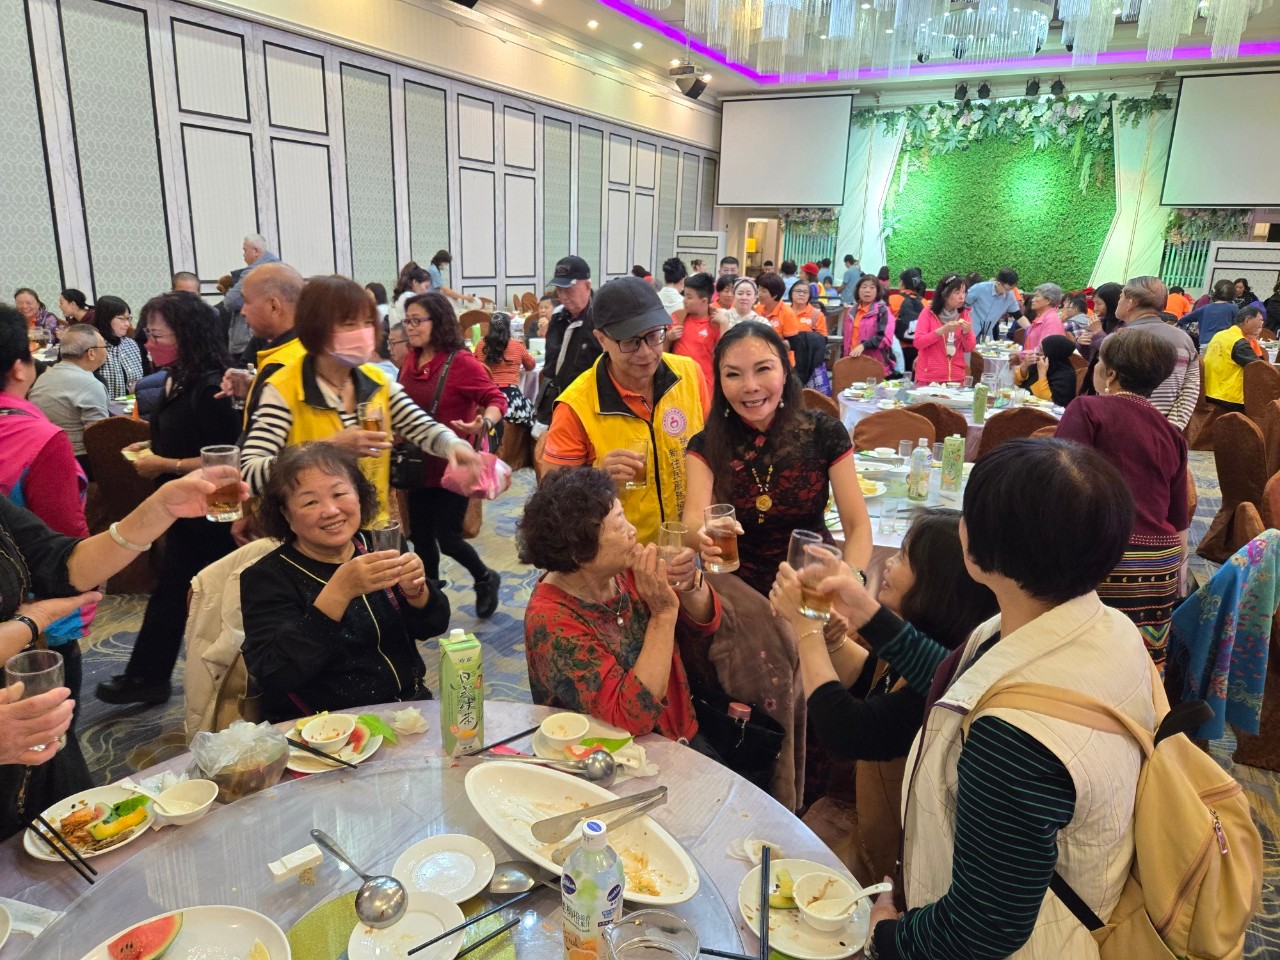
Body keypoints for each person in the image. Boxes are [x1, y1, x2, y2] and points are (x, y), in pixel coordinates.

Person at [813, 438, 1155, 960]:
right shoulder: (1102, 627)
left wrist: (888, 938)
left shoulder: (1013, 740)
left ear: (977, 548)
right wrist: (865, 612)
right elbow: (958, 680)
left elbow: (982, 928)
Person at [0, 467, 249, 838]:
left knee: (75, 841)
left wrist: (160, 509)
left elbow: (61, 563)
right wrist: (29, 623)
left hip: (27, 720)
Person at [769, 509, 997, 881]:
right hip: (873, 843)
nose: (888, 562)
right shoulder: (927, 642)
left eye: (903, 556)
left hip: (906, 875)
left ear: (938, 584)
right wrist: (830, 637)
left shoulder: (947, 683)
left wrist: (805, 630)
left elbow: (848, 730)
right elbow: (869, 677)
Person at [95, 293, 244, 705]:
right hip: (186, 505)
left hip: (214, 509)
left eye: (156, 335)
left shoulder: (212, 386)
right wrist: (153, 445)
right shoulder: (178, 376)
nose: (147, 344)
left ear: (187, 335)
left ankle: (155, 677)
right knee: (176, 589)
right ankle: (150, 675)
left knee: (194, 591)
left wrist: (165, 463)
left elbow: (227, 456)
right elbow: (186, 434)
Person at [241, 276, 481, 527]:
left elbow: (422, 427)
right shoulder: (284, 388)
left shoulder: (376, 381)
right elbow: (250, 473)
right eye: (349, 324)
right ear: (316, 329)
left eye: (368, 322)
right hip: (313, 533)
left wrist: (454, 446)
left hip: (371, 526)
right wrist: (328, 448)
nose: (363, 333)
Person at [240, 443, 448, 722]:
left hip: (409, 710)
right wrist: (339, 591)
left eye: (339, 494)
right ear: (286, 514)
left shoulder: (380, 545)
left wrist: (416, 592)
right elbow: (276, 674)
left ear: (359, 495)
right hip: (326, 727)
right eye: (310, 502)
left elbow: (433, 626)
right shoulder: (268, 577)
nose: (330, 510)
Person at [518, 467, 721, 744]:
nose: (633, 531)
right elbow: (632, 716)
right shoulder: (550, 620)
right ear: (580, 553)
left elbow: (705, 624)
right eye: (620, 525)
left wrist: (689, 585)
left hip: (680, 732)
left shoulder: (626, 569)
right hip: (609, 754)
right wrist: (663, 614)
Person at [684, 321, 872, 596]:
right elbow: (692, 521)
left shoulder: (824, 432)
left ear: (785, 371)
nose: (750, 386)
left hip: (813, 586)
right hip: (739, 595)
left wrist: (851, 582)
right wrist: (702, 536)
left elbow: (857, 525)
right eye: (733, 374)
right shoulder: (706, 444)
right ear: (720, 382)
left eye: (763, 369)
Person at [1056, 328, 1189, 666]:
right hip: (1159, 564)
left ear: (1111, 374)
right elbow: (1178, 519)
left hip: (1105, 553)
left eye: (1098, 362)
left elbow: (1060, 485)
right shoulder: (1171, 433)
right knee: (1136, 661)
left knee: (1078, 656)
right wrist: (1178, 575)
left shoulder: (1087, 409)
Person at [542, 277, 708, 546]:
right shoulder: (576, 406)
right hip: (621, 555)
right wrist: (597, 478)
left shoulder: (689, 374)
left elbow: (711, 452)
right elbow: (553, 498)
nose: (647, 353)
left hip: (687, 548)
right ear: (601, 339)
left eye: (654, 335)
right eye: (631, 342)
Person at [0, 308, 96, 703]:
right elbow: (64, 534)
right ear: (19, 368)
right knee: (46, 725)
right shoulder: (38, 437)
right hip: (28, 614)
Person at [399, 292, 506, 616]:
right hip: (418, 465)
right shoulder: (411, 359)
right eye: (407, 321)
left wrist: (484, 422)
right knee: (420, 537)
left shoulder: (461, 362)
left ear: (439, 322)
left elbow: (496, 399)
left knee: (448, 538)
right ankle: (430, 598)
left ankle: (485, 578)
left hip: (454, 466)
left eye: (417, 320)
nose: (410, 327)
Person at [218, 262, 307, 424]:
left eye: (246, 301)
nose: (243, 311)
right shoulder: (304, 346)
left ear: (273, 306)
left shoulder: (281, 364)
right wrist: (254, 388)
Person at [1112, 276, 1201, 431]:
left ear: (1130, 303)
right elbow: (1191, 386)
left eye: (1120, 296)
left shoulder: (1117, 339)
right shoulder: (1184, 339)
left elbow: (1106, 387)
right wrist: (1173, 426)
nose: (1118, 301)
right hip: (1164, 428)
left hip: (1122, 426)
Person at [28, 324, 109, 475]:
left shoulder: (44, 377)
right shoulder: (90, 384)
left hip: (42, 455)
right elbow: (99, 440)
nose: (107, 350)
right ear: (91, 353)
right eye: (104, 346)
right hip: (76, 460)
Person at [535, 255, 602, 429]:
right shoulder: (558, 316)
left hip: (589, 406)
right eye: (559, 290)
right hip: (557, 401)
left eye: (569, 290)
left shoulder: (601, 318)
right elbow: (551, 365)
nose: (563, 297)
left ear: (587, 286)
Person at [906, 273, 973, 385]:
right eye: (957, 292)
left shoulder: (965, 315)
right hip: (928, 378)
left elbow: (969, 348)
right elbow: (918, 343)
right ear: (944, 294)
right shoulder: (928, 313)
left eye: (964, 292)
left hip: (955, 379)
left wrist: (966, 334)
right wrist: (941, 331)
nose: (962, 297)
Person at [223, 234, 281, 357]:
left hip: (249, 338)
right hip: (276, 334)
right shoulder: (282, 269)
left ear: (256, 251)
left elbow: (230, 301)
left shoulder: (253, 273)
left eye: (245, 250)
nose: (243, 254)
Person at [476, 312, 536, 428]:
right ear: (508, 327)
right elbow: (531, 366)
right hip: (512, 399)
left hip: (487, 398)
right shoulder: (517, 346)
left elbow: (474, 366)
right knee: (532, 415)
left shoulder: (481, 345)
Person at [666, 272, 723, 389]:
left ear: (704, 301)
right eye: (684, 295)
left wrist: (724, 325)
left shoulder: (716, 322)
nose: (684, 300)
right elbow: (662, 352)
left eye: (689, 297)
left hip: (704, 384)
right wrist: (668, 337)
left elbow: (724, 353)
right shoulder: (677, 317)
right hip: (678, 383)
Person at [1204, 305, 1266, 412]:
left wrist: (1252, 340)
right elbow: (1260, 369)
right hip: (1230, 398)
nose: (1262, 324)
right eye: (1260, 320)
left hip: (1209, 392)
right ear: (1247, 320)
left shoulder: (1219, 335)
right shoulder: (1238, 342)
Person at [92, 296, 144, 398]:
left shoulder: (131, 344)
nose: (127, 324)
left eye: (128, 318)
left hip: (133, 403)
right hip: (104, 405)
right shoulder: (94, 346)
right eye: (122, 319)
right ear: (106, 319)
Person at [842, 275, 894, 375]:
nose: (867, 290)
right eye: (864, 287)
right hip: (851, 362)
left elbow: (885, 339)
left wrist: (864, 345)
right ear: (858, 290)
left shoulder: (882, 311)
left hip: (874, 364)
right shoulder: (851, 312)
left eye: (872, 287)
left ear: (877, 291)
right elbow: (847, 340)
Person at [1014, 334, 1077, 406]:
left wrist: (1042, 375)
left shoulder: (1066, 375)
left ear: (1050, 354)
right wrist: (1024, 365)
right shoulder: (1039, 362)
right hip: (1026, 407)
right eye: (1038, 348)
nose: (1037, 352)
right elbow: (1017, 383)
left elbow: (1049, 403)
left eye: (1041, 350)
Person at [1182, 279, 1239, 353]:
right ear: (1233, 294)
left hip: (1205, 342)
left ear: (1214, 292)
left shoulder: (1205, 308)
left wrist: (1177, 324)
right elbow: (1238, 325)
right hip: (1222, 342)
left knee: (1204, 360)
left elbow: (1186, 318)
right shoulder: (1233, 308)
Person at [964, 268, 1020, 341]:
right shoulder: (980, 288)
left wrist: (1030, 329)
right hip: (970, 331)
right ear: (999, 284)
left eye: (1012, 289)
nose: (1009, 292)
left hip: (987, 336)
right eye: (1008, 289)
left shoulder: (1010, 296)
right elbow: (964, 303)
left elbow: (1018, 315)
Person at [1017, 283, 1067, 351]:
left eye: (1037, 296)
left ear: (1048, 301)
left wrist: (1021, 355)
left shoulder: (1052, 320)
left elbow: (1044, 350)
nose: (1032, 300)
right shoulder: (1042, 317)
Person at [894, 275, 926, 374]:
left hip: (897, 349)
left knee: (896, 381)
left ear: (902, 283)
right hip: (918, 350)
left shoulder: (893, 299)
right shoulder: (925, 303)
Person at [755, 273, 800, 342]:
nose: (759, 294)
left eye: (763, 291)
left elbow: (792, 342)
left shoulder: (787, 313)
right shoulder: (757, 308)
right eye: (759, 289)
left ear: (775, 295)